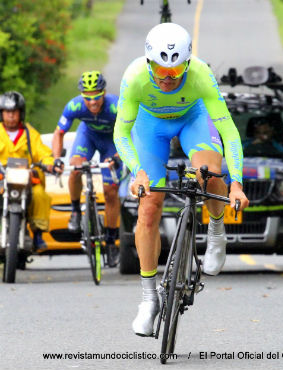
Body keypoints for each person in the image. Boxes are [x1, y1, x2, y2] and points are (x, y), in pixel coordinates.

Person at [113, 23, 249, 336]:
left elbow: (228, 131)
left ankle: (216, 231)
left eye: (176, 70)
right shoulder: (134, 77)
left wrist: (237, 183)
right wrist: (138, 171)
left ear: (187, 63)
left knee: (209, 173)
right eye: (160, 69)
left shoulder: (201, 75)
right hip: (151, 127)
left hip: (193, 119)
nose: (167, 77)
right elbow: (120, 132)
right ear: (149, 62)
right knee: (149, 205)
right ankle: (149, 299)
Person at [51, 71, 122, 267]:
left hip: (113, 142)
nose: (92, 102)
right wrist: (57, 159)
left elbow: (131, 134)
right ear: (83, 97)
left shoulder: (116, 106)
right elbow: (59, 133)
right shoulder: (74, 105)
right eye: (88, 97)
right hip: (88, 137)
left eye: (97, 96)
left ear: (104, 93)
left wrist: (117, 157)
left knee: (110, 192)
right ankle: (75, 211)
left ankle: (111, 241)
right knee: (75, 169)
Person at [0, 91, 62, 249]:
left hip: (25, 179)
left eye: (14, 112)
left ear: (21, 113)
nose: (11, 116)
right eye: (7, 112)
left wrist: (50, 163)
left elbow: (42, 152)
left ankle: (38, 235)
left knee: (40, 194)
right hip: (2, 179)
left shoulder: (30, 134)